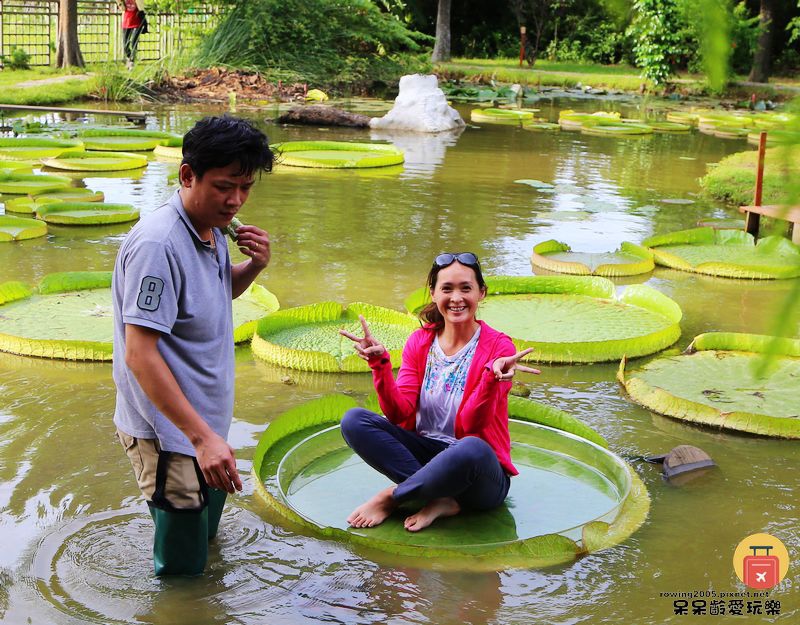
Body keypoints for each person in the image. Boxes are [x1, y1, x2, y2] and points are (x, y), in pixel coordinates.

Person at [112, 116, 273, 575]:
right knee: (182, 573)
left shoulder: (212, 227)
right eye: (225, 186)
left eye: (245, 187)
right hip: (171, 433)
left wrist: (254, 268)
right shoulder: (158, 245)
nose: (236, 200)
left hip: (205, 427)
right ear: (187, 175)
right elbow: (138, 353)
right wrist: (200, 438)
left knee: (205, 542)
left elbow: (210, 296)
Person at [339, 252, 539, 532]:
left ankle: (394, 497)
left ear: (481, 293)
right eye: (447, 289)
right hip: (427, 457)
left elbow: (473, 426)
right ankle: (440, 497)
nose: (456, 298)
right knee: (354, 420)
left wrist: (491, 379)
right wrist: (379, 364)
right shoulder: (420, 341)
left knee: (470, 448)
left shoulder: (499, 348)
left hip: (477, 475)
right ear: (433, 294)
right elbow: (399, 414)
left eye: (465, 288)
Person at [119, 0, 146, 70]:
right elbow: (121, 7)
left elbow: (142, 8)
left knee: (134, 42)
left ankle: (132, 61)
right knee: (125, 44)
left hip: (137, 21)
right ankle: (129, 58)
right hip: (126, 21)